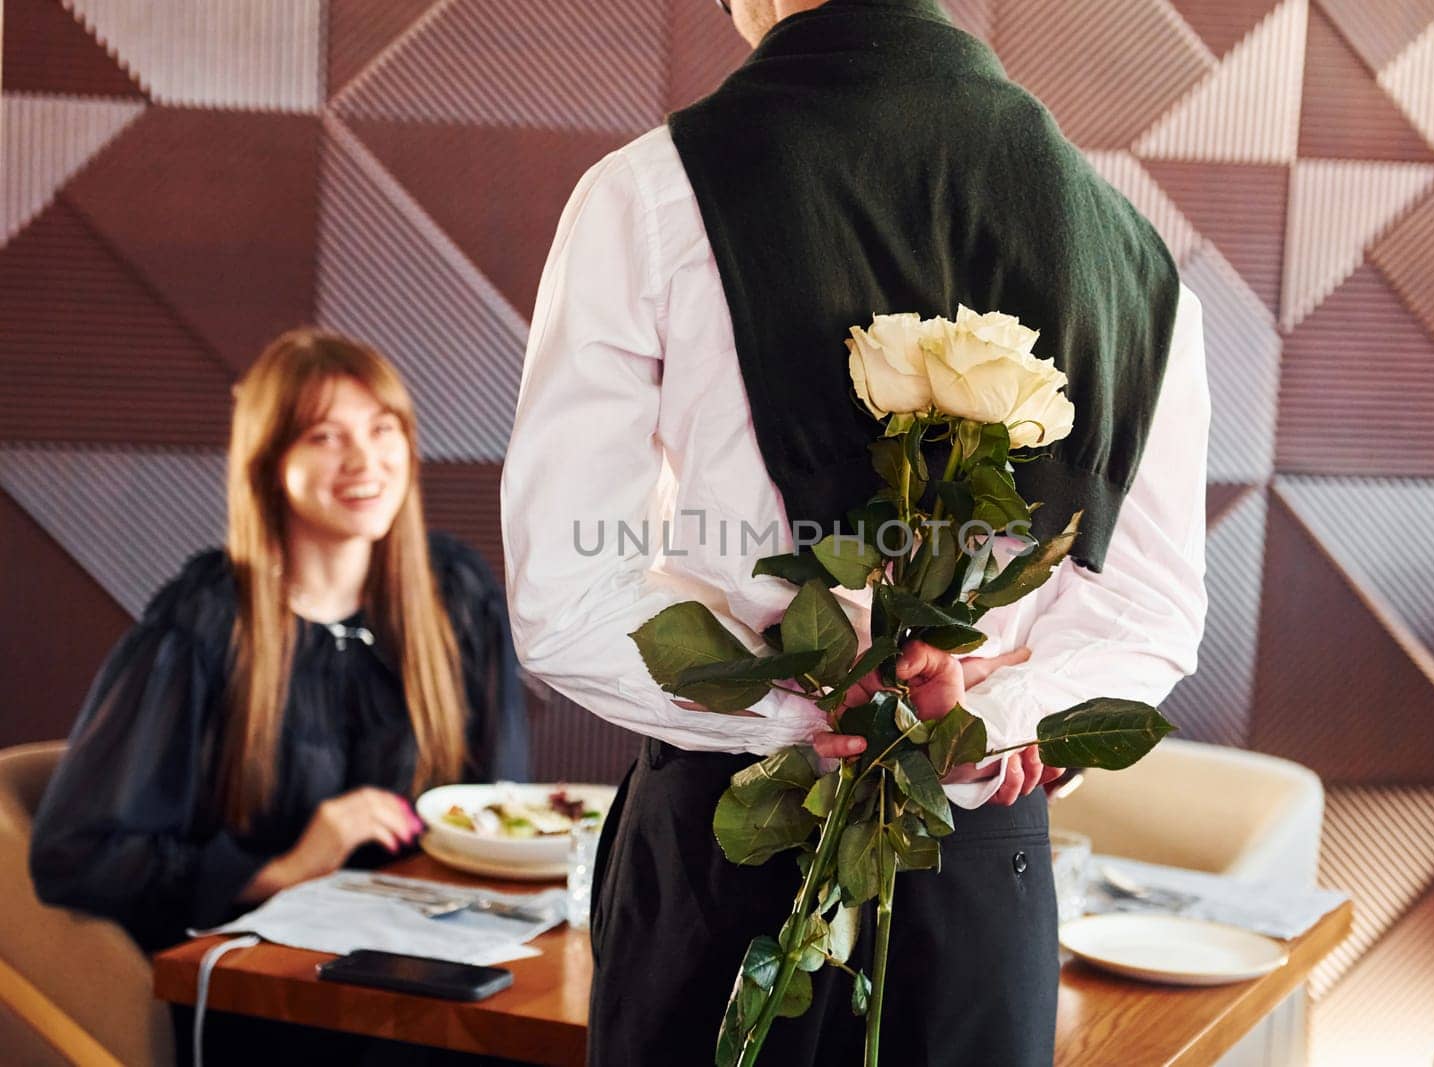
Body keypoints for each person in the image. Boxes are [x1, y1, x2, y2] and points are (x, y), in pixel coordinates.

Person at [502, 0, 1209, 1063]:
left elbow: (563, 602)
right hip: (977, 867)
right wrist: (982, 715)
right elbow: (1151, 612)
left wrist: (802, 714)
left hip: (721, 853)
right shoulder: (1133, 253)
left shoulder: (649, 195)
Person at [30, 327, 529, 953]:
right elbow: (80, 856)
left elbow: (497, 814)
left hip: (431, 953)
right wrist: (287, 867)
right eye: (325, 437)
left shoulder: (455, 593)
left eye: (382, 429)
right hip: (266, 981)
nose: (365, 462)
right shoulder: (204, 622)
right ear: (270, 462)